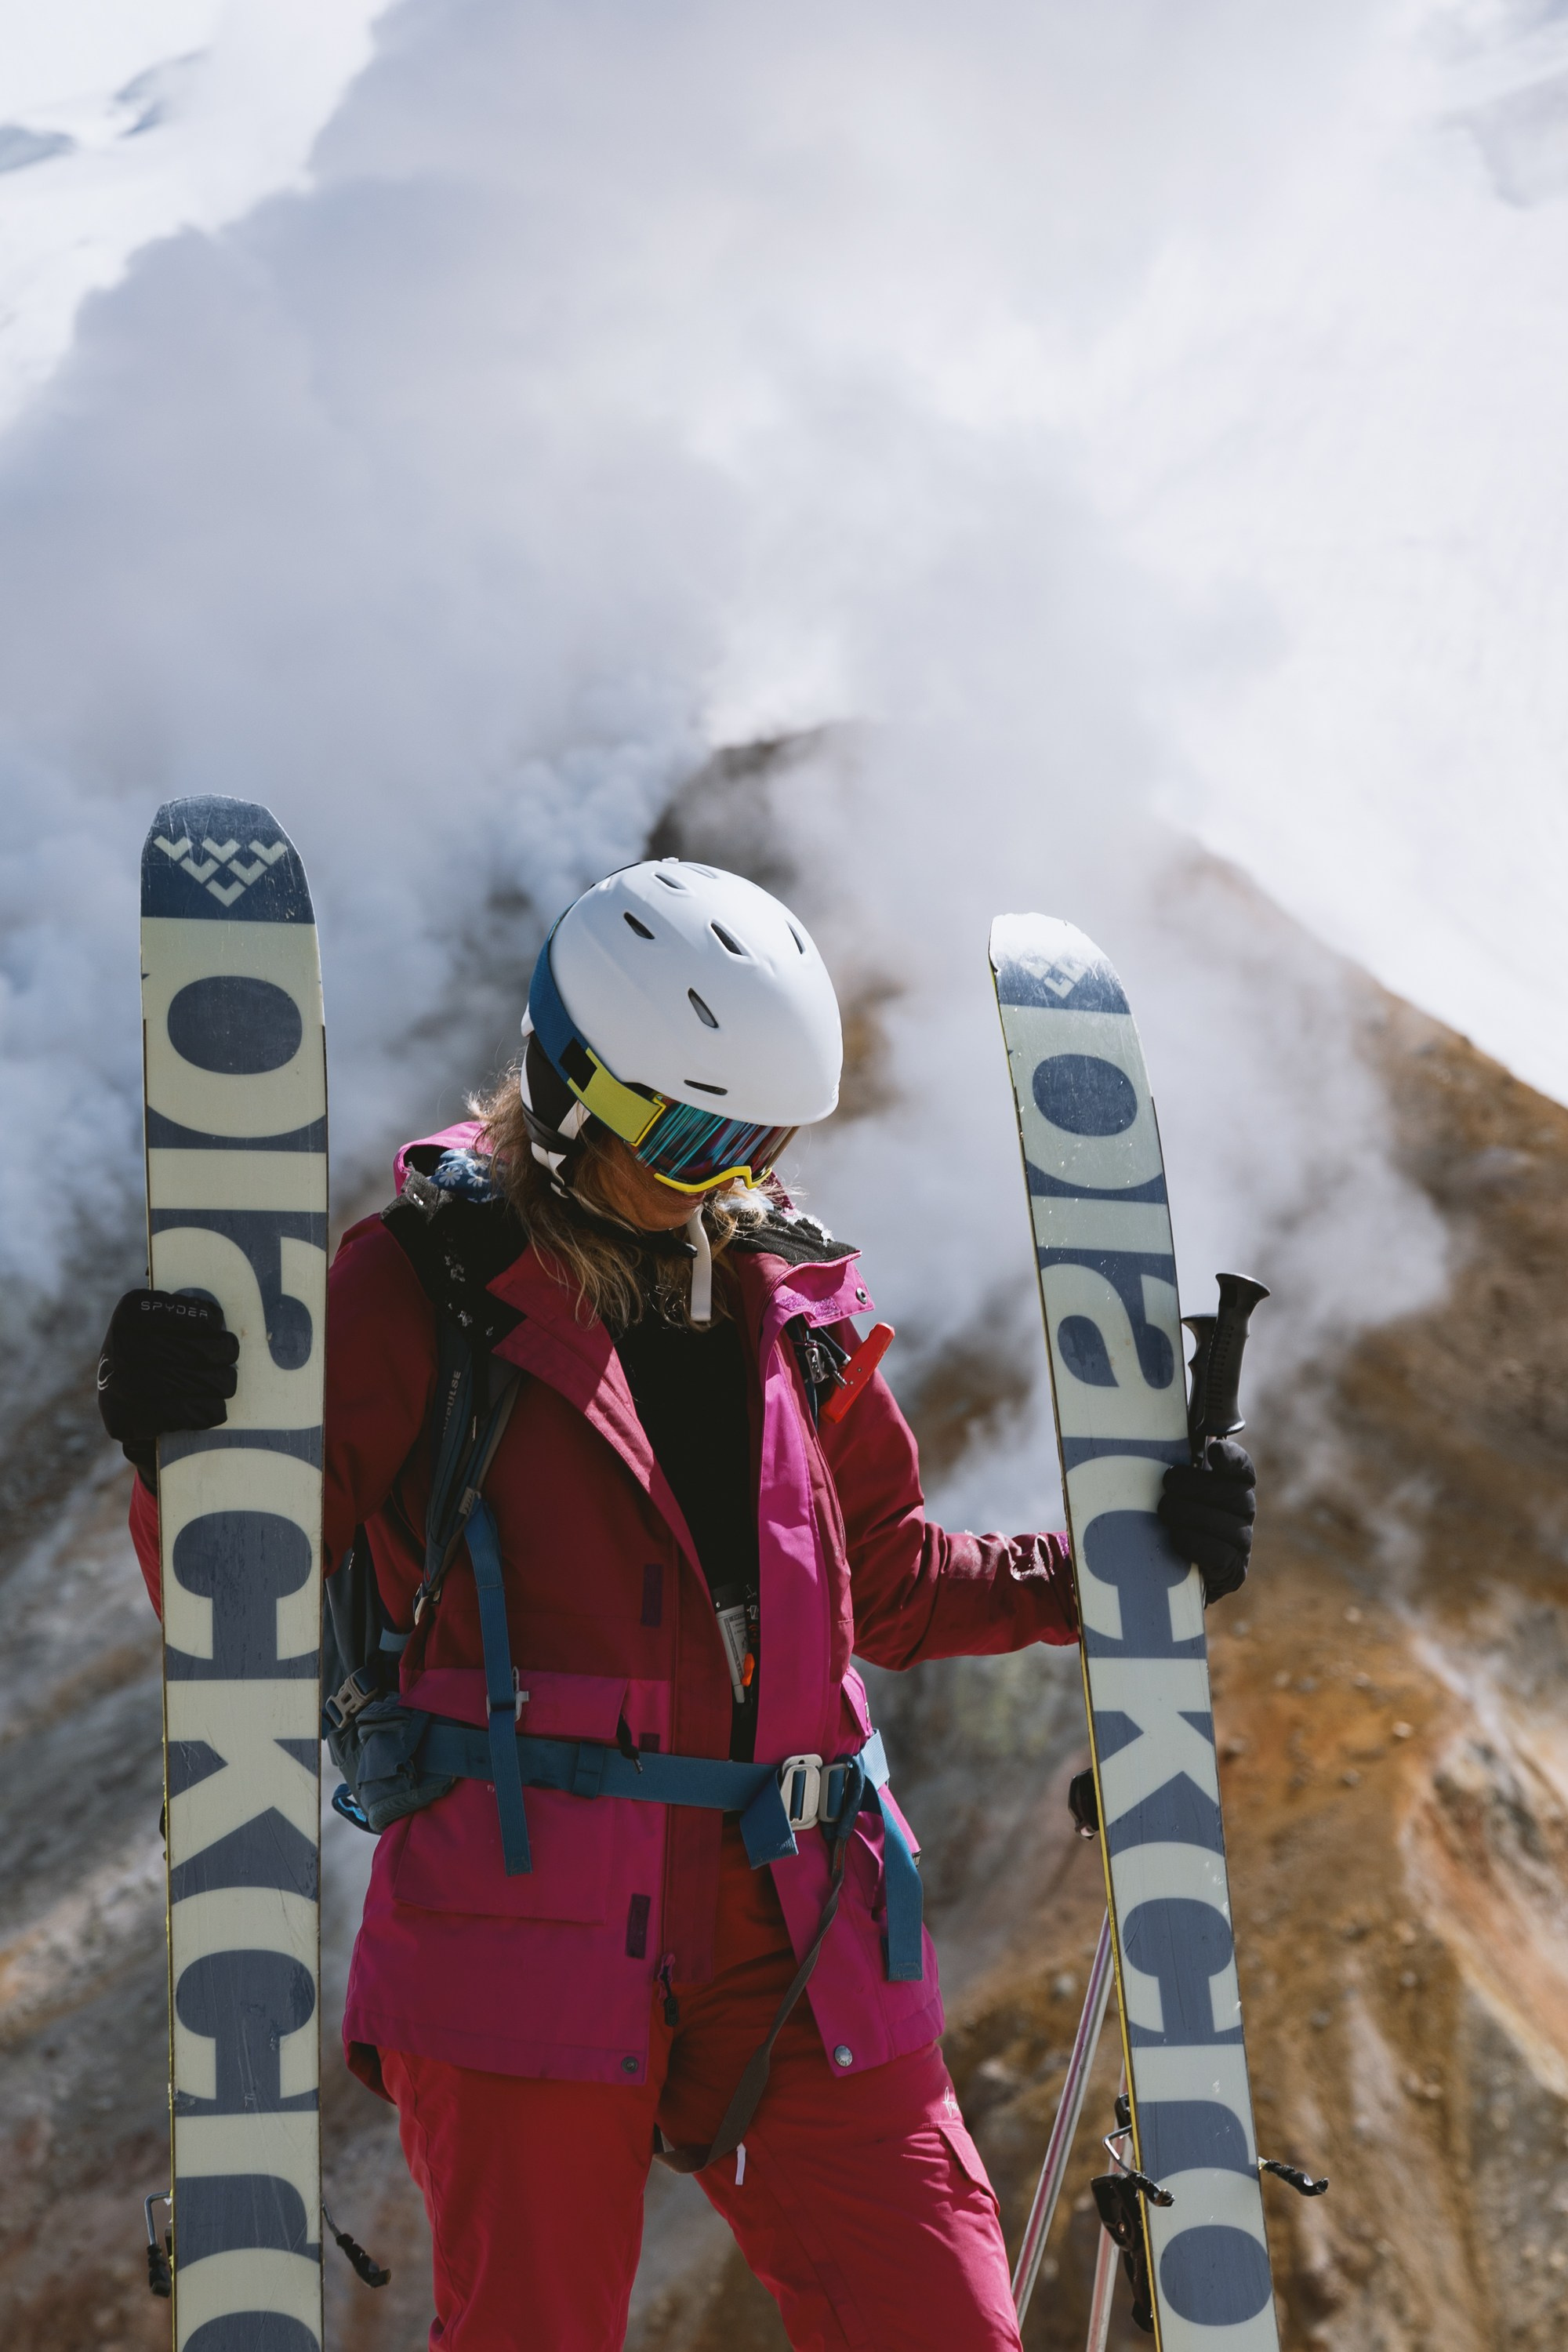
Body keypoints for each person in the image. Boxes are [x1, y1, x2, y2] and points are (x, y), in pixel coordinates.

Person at [99, 859, 1256, 2352]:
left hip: (809, 1908)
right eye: (691, 1129)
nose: (726, 1171)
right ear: (570, 1082)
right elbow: (231, 1592)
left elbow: (889, 1591)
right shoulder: (416, 1290)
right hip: (522, 1922)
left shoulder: (798, 1305)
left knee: (943, 2322)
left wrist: (1117, 1570)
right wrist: (174, 1448)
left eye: (759, 1136)